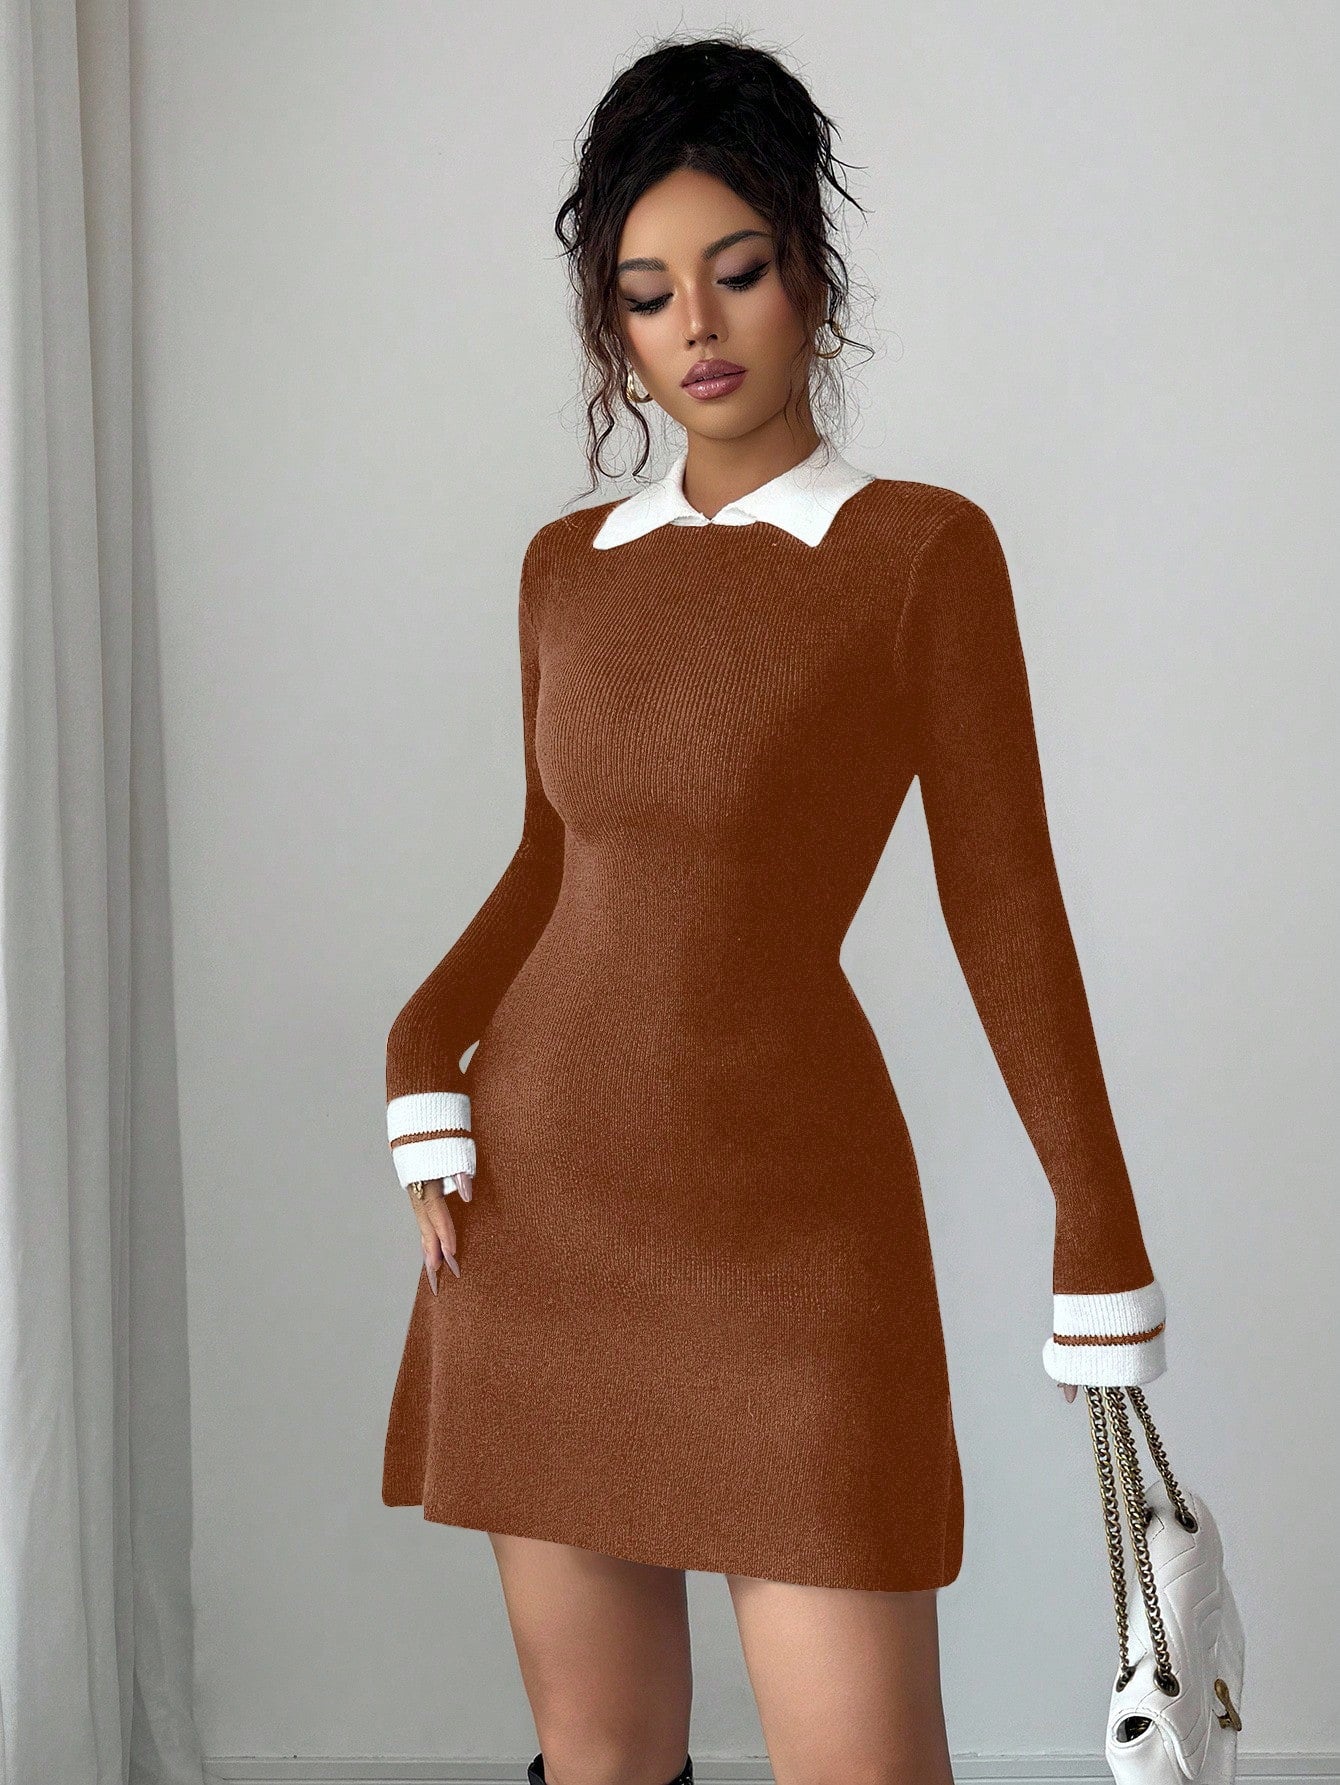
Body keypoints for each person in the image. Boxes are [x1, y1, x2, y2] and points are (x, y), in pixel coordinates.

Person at [379, 33, 1167, 1785]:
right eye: (647, 294)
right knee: (600, 1758)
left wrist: (1097, 1230)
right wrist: (420, 1049)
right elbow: (552, 862)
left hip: (792, 1230)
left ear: (811, 268)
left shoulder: (920, 554)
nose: (699, 327)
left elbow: (1004, 905)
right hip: (542, 1219)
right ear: (612, 325)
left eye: (736, 270)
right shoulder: (566, 570)